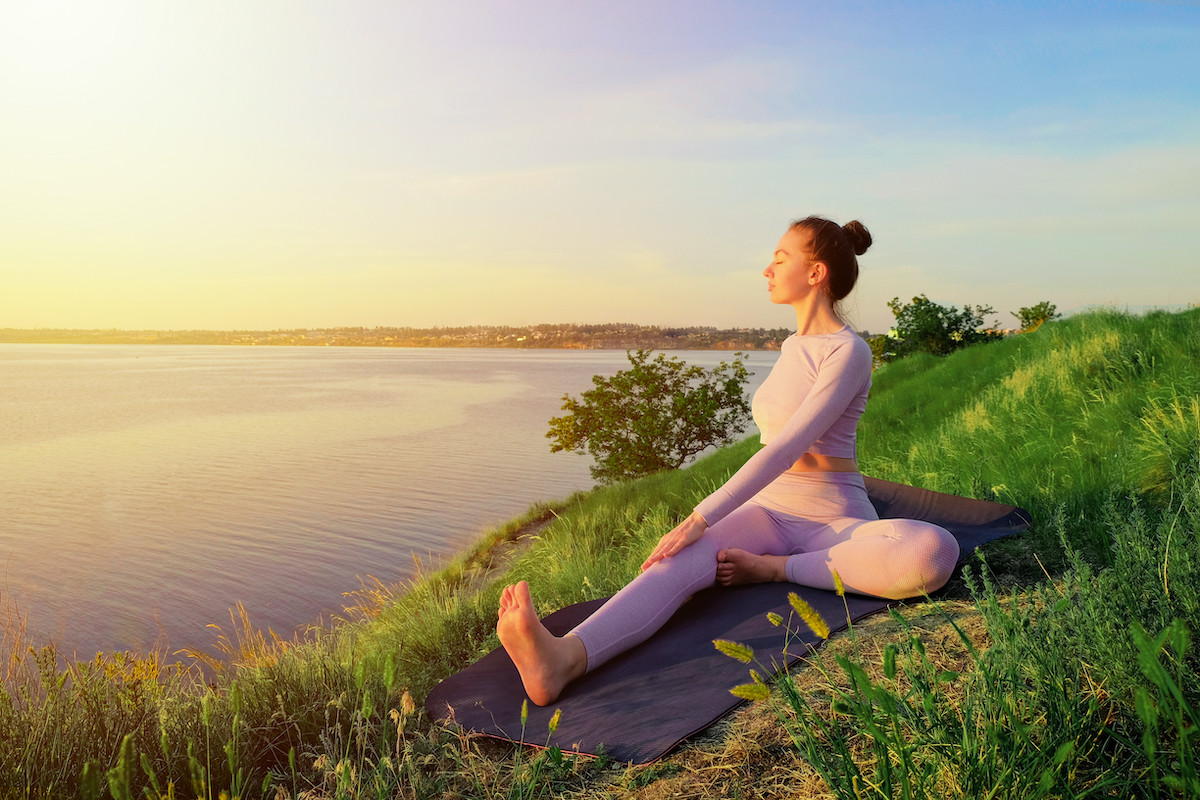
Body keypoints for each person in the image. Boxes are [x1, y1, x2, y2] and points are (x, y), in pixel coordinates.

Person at [497, 216, 960, 706]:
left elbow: (786, 448)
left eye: (780, 258)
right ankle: (561, 659)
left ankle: (777, 569)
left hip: (834, 517)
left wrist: (703, 518)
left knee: (931, 552)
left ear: (816, 272)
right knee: (669, 565)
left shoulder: (849, 351)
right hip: (767, 513)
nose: (767, 268)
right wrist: (696, 530)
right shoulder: (791, 348)